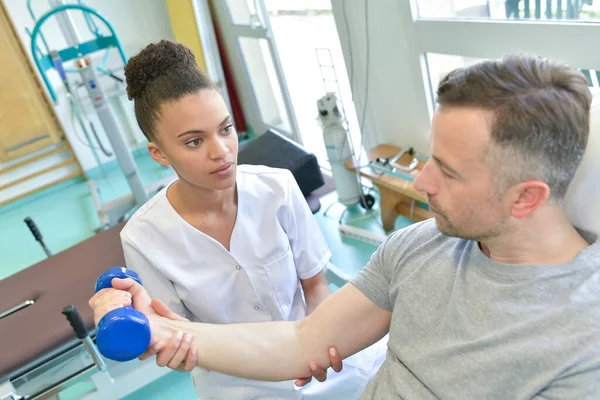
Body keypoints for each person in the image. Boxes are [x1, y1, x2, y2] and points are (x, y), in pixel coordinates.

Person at [91, 53, 600, 399]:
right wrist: (159, 328)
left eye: (445, 170)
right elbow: (301, 343)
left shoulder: (582, 340)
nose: (420, 179)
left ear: (525, 197)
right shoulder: (417, 246)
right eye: (431, 157)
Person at [93, 40, 386, 399]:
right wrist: (174, 350)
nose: (221, 151)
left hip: (321, 365)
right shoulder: (143, 237)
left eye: (226, 129)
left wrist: (325, 347)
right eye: (194, 142)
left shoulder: (277, 188)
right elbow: (177, 332)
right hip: (239, 385)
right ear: (159, 153)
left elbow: (315, 286)